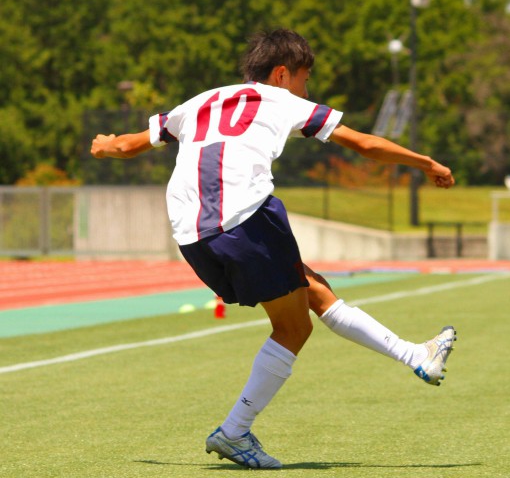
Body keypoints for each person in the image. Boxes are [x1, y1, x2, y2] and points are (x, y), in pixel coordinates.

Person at [91, 29, 457, 469]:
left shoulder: (200, 102)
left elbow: (129, 145)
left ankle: (417, 356)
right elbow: (364, 143)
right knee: (293, 328)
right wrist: (428, 163)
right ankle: (234, 431)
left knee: (312, 289)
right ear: (282, 74)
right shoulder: (284, 100)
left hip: (192, 239)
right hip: (247, 219)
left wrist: (105, 145)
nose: (308, 91)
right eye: (305, 79)